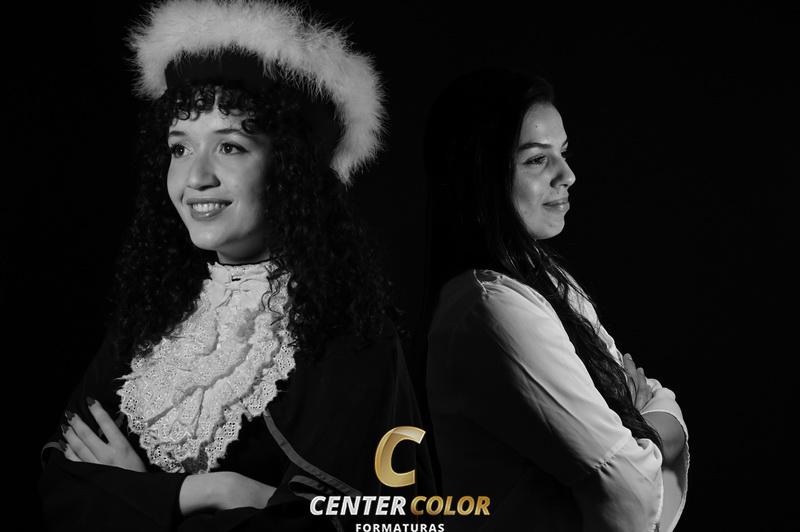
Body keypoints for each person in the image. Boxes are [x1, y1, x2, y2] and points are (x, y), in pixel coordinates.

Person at [38, 1, 432, 530]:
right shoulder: (154, 317)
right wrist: (210, 492)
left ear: (291, 170)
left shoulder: (351, 339)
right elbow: (59, 487)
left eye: (230, 146)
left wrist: (136, 498)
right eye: (180, 148)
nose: (195, 178)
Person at [423, 68, 689, 531]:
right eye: (536, 160)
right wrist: (647, 420)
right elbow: (630, 493)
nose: (567, 175)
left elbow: (649, 416)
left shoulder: (549, 281)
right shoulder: (490, 308)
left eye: (562, 153)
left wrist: (637, 424)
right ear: (479, 174)